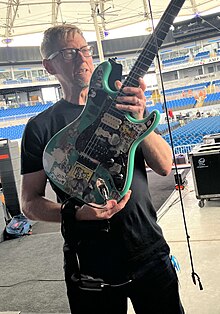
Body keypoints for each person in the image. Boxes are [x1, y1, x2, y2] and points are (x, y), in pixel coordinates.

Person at [21, 24, 184, 314]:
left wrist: (138, 117)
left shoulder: (123, 104)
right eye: (69, 53)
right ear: (48, 65)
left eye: (85, 50)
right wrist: (75, 213)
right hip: (89, 264)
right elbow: (29, 204)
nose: (82, 58)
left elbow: (164, 165)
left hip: (149, 250)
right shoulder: (40, 128)